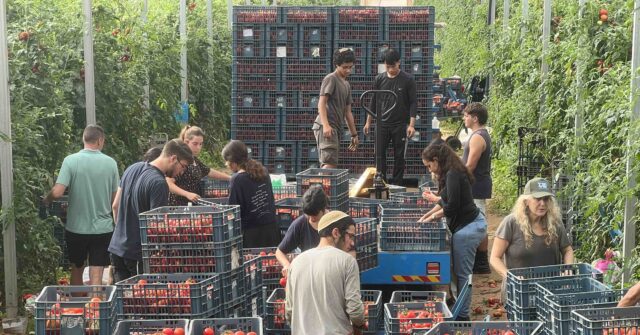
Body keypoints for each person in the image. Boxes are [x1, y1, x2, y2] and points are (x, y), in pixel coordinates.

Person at [43, 125, 119, 285]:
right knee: (97, 269)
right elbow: (115, 199)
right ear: (100, 141)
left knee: (77, 267)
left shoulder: (70, 161)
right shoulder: (111, 163)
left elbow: (57, 192)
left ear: (84, 139)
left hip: (76, 227)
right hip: (102, 227)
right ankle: (96, 305)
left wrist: (47, 199)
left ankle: (76, 306)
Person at [418, 144, 487, 321]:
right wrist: (426, 216)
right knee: (458, 272)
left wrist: (431, 219)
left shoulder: (453, 174)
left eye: (429, 165)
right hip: (468, 225)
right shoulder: (452, 172)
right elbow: (444, 201)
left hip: (468, 228)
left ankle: (462, 316)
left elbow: (452, 206)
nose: (429, 169)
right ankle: (458, 307)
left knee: (463, 273)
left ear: (436, 160)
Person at [108, 139, 193, 283]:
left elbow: (115, 205)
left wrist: (122, 232)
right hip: (137, 255)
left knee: (123, 299)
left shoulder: (132, 168)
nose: (181, 172)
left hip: (116, 248)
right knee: (140, 301)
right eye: (183, 166)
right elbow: (157, 228)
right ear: (173, 158)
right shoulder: (159, 184)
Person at [490, 177, 574, 300]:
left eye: (546, 199)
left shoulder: (555, 223)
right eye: (537, 199)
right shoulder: (511, 223)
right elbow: (494, 258)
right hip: (519, 291)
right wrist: (510, 276)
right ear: (526, 201)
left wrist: (568, 269)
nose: (543, 203)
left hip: (549, 291)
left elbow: (567, 250)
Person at [285, 211, 365, 335]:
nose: (352, 242)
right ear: (336, 233)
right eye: (351, 236)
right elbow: (355, 310)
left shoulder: (296, 262)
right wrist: (358, 327)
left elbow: (289, 311)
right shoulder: (347, 261)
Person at [363, 48, 417, 185]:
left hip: (399, 124)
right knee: (379, 155)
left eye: (393, 66)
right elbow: (373, 101)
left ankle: (397, 184)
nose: (391, 69)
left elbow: (413, 103)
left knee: (399, 156)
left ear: (399, 63)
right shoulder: (379, 79)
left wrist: (411, 125)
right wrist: (368, 122)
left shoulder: (407, 80)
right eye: (388, 66)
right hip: (382, 124)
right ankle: (382, 181)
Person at [222, 140, 280, 248]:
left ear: (232, 161)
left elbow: (232, 210)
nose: (226, 165)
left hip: (251, 235)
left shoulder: (237, 179)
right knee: (270, 263)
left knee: (253, 264)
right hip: (272, 230)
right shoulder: (262, 171)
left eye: (226, 161)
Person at [312, 48, 359, 168]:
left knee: (332, 162)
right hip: (326, 126)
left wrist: (354, 134)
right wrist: (326, 125)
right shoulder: (331, 78)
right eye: (345, 67)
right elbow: (321, 103)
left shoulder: (346, 84)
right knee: (329, 162)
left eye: (350, 67)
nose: (348, 70)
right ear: (337, 65)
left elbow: (348, 112)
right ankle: (321, 187)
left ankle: (323, 186)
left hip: (336, 128)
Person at [461, 102, 493, 274]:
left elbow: (470, 165)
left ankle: (481, 263)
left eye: (466, 115)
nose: (464, 118)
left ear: (475, 118)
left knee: (479, 223)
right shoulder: (479, 135)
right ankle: (479, 260)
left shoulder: (478, 137)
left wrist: (457, 180)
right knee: (477, 222)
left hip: (476, 186)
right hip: (477, 185)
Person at [168, 125, 231, 205]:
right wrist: (187, 194)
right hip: (178, 207)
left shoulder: (195, 160)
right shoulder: (180, 160)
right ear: (186, 142)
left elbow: (209, 171)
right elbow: (168, 183)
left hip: (192, 206)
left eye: (200, 144)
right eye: (195, 144)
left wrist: (230, 178)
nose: (198, 147)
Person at [275, 185, 328, 276]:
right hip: (308, 274)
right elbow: (279, 252)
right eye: (308, 215)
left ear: (323, 209)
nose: (311, 218)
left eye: (314, 215)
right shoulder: (300, 224)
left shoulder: (334, 223)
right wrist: (287, 265)